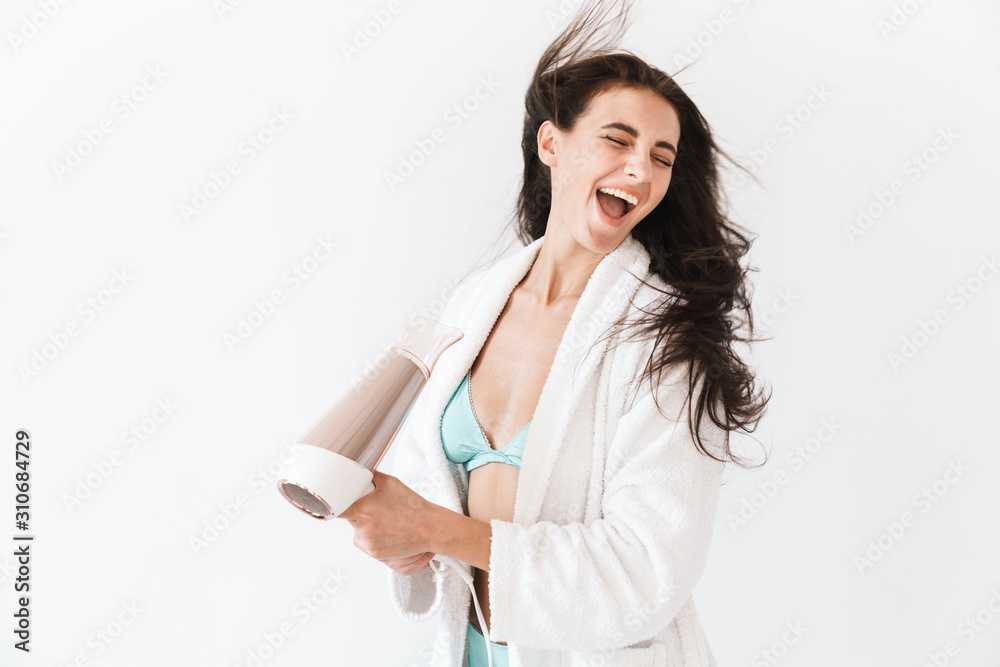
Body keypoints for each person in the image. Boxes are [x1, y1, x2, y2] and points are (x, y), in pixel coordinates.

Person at [338, 1, 769, 665]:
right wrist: (401, 540)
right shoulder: (474, 305)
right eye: (618, 140)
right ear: (551, 144)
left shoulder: (666, 340)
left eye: (661, 157)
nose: (641, 170)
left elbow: (647, 569)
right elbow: (428, 494)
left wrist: (436, 529)